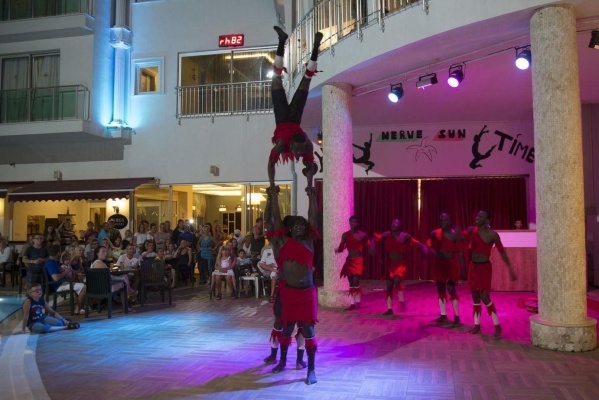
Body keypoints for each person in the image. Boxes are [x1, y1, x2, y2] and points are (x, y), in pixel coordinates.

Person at [266, 185, 319, 384]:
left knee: (309, 332)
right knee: (286, 331)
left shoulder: (309, 240)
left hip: (307, 295)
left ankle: (311, 369)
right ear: (289, 228)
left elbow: (314, 217)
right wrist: (274, 197)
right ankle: (282, 361)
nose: (299, 227)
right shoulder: (281, 242)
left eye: (302, 224)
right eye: (295, 224)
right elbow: (275, 219)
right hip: (289, 294)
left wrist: (312, 196)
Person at [267, 26, 322, 193]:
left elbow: (271, 163)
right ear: (291, 144)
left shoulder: (291, 144)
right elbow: (272, 163)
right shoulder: (300, 145)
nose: (298, 153)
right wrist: (310, 183)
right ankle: (315, 46)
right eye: (298, 150)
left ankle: (282, 40)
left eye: (299, 150)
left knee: (277, 78)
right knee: (306, 80)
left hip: (282, 117)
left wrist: (272, 184)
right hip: (294, 118)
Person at [464, 209, 517, 339]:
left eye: (481, 216)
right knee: (475, 296)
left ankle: (497, 325)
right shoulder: (472, 231)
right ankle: (477, 325)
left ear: (487, 220)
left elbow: (502, 252)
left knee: (484, 296)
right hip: (473, 267)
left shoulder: (493, 235)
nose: (477, 217)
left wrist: (510, 268)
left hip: (484, 268)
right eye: (477, 215)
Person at [373, 219, 424, 316]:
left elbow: (416, 243)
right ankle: (389, 309)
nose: (394, 225)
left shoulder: (405, 236)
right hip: (390, 264)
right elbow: (375, 239)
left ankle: (401, 299)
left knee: (397, 280)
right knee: (389, 287)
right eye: (393, 224)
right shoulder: (387, 234)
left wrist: (424, 248)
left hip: (401, 264)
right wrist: (373, 248)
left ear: (400, 226)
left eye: (396, 224)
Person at [428, 213, 465, 326]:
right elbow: (429, 245)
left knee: (451, 289)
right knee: (440, 289)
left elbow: (460, 253)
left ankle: (457, 317)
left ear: (450, 221)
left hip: (451, 265)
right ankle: (443, 315)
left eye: (446, 219)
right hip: (440, 265)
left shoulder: (455, 235)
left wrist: (463, 268)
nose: (444, 222)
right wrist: (432, 251)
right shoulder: (435, 233)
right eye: (442, 220)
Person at [335, 215, 372, 311]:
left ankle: (358, 301)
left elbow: (369, 245)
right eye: (352, 222)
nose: (354, 224)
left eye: (355, 222)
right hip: (350, 261)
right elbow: (341, 247)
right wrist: (337, 250)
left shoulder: (362, 235)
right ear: (349, 223)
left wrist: (372, 247)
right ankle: (352, 303)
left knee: (356, 280)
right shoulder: (345, 235)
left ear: (358, 223)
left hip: (358, 260)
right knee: (351, 282)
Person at [45, 245, 86, 315]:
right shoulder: (50, 263)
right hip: (58, 286)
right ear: (58, 253)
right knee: (84, 287)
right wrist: (65, 272)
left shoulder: (55, 262)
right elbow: (56, 278)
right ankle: (78, 308)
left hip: (62, 282)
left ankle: (80, 307)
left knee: (79, 283)